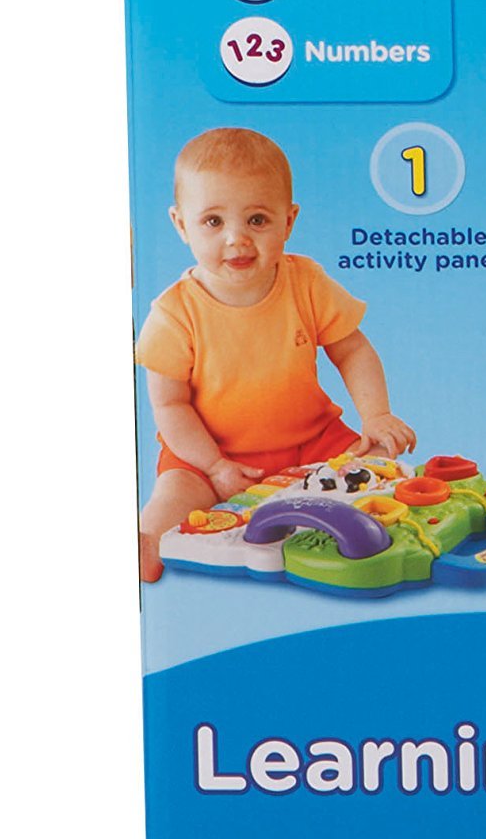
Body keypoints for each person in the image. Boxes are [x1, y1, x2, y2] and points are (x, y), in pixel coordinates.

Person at [136, 128, 413, 580]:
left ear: (288, 221)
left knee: (382, 466)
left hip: (312, 443)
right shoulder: (173, 315)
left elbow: (353, 350)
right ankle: (145, 542)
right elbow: (170, 405)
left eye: (257, 220)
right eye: (213, 222)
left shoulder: (307, 283)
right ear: (181, 224)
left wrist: (376, 415)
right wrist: (214, 467)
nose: (237, 239)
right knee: (173, 498)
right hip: (207, 454)